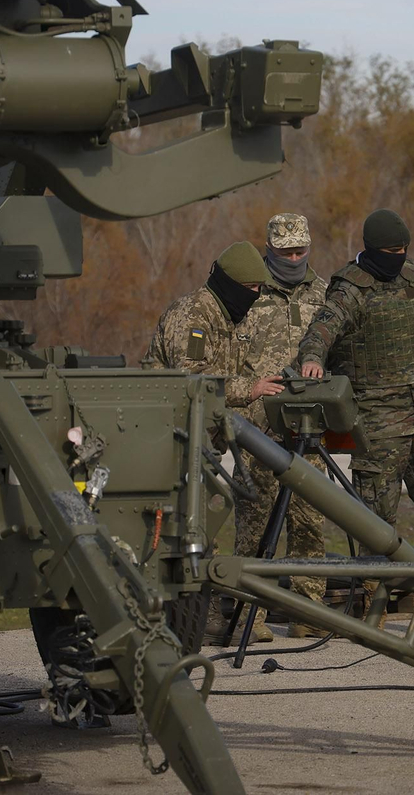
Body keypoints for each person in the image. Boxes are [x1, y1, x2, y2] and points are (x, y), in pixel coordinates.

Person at [295, 209, 414, 587]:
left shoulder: (409, 274)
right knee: (375, 520)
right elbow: (320, 331)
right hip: (378, 422)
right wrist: (311, 360)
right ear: (372, 250)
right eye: (391, 250)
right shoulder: (349, 289)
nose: (399, 256)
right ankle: (373, 602)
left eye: (404, 249)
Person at [142, 241, 283, 643]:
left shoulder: (225, 315)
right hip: (169, 437)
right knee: (189, 526)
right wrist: (250, 388)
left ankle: (200, 615)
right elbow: (193, 380)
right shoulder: (194, 317)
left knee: (200, 523)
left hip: (199, 439)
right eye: (253, 289)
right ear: (234, 285)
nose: (256, 298)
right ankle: (195, 618)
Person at [237, 213, 332, 638]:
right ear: (270, 249)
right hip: (258, 427)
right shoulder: (248, 293)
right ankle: (249, 614)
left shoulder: (324, 293)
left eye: (300, 251)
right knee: (255, 522)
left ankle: (308, 613)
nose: (293, 259)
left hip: (310, 424)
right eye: (284, 252)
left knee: (310, 519)